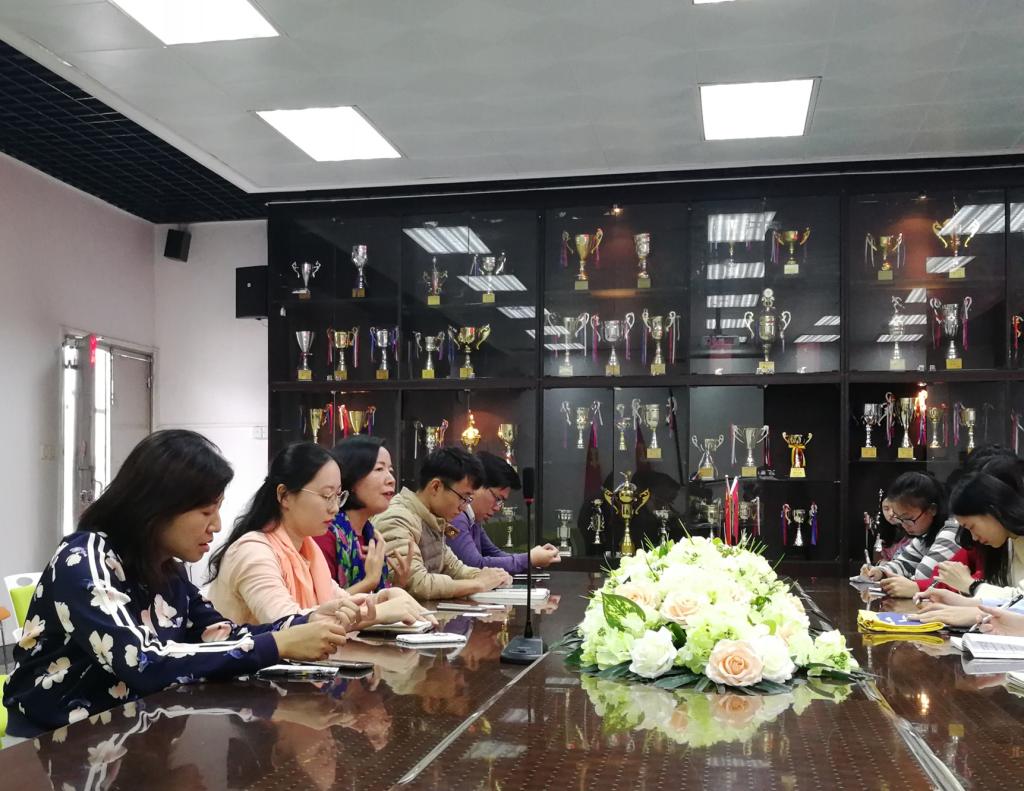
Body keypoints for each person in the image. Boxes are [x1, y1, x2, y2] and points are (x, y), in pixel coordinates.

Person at [3, 430, 363, 732]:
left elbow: (220, 634)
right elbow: (143, 660)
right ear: (156, 507)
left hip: (131, 731)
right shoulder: (84, 560)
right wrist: (278, 644)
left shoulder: (166, 569)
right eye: (207, 511)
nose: (216, 525)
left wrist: (303, 623)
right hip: (55, 742)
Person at [207, 442, 429, 627]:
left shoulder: (307, 549)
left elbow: (341, 602)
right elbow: (286, 624)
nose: (335, 508)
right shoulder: (253, 550)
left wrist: (383, 598)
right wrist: (378, 613)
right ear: (284, 495)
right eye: (326, 496)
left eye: (338, 496)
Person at [376, 447, 511, 600]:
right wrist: (478, 583)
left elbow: (456, 569)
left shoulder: (433, 519)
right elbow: (418, 584)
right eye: (463, 498)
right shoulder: (397, 518)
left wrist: (492, 576)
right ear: (436, 487)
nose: (464, 507)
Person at [917, 456, 1024, 626]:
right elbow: (1017, 598)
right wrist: (963, 602)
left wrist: (974, 601)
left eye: (972, 527)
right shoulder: (1011, 540)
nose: (974, 537)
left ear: (993, 508)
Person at [312, 436, 412, 592]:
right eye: (379, 469)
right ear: (352, 477)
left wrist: (399, 585)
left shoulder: (372, 535)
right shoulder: (325, 534)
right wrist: (370, 581)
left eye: (390, 470)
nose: (391, 479)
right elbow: (323, 604)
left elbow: (375, 601)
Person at [447, 451, 560, 573]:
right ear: (477, 486)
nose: (497, 508)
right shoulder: (457, 518)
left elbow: (494, 553)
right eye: (498, 499)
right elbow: (474, 565)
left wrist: (533, 557)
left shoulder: (473, 519)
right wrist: (529, 559)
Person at [859, 472, 968, 598]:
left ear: (932, 509)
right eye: (899, 518)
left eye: (908, 519)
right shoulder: (926, 534)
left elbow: (923, 576)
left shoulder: (951, 532)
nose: (904, 525)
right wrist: (879, 572)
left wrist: (909, 584)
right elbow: (903, 563)